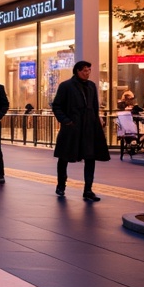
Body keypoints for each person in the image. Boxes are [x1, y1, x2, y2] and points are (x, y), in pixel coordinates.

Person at [51, 60, 108, 201]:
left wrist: (97, 119)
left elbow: (94, 107)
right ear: (77, 71)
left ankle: (88, 189)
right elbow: (57, 106)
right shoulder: (66, 86)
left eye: (89, 70)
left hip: (89, 128)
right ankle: (61, 185)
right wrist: (66, 121)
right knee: (64, 157)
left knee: (90, 157)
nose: (87, 73)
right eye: (84, 70)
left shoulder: (91, 86)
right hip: (72, 128)